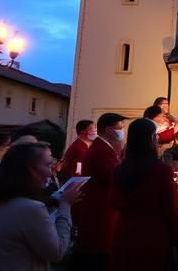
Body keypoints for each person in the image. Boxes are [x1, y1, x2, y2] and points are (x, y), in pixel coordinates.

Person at [0, 142, 84, 271]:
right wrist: (65, 205)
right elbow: (57, 252)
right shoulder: (32, 209)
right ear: (30, 170)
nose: (50, 173)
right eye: (47, 165)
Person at [109, 118, 178, 271]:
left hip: (125, 233)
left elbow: (114, 201)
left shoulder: (119, 169)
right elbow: (170, 209)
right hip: (153, 235)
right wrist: (177, 237)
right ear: (150, 139)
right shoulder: (161, 171)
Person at [73, 112, 126, 271]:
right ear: (109, 130)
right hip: (101, 212)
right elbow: (114, 177)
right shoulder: (101, 150)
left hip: (101, 210)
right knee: (98, 257)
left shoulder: (104, 147)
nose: (122, 132)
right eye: (120, 128)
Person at [58, 119, 95, 184]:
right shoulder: (78, 148)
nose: (95, 131)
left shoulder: (91, 144)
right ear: (83, 131)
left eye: (95, 128)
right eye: (91, 129)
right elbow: (78, 170)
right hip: (76, 182)